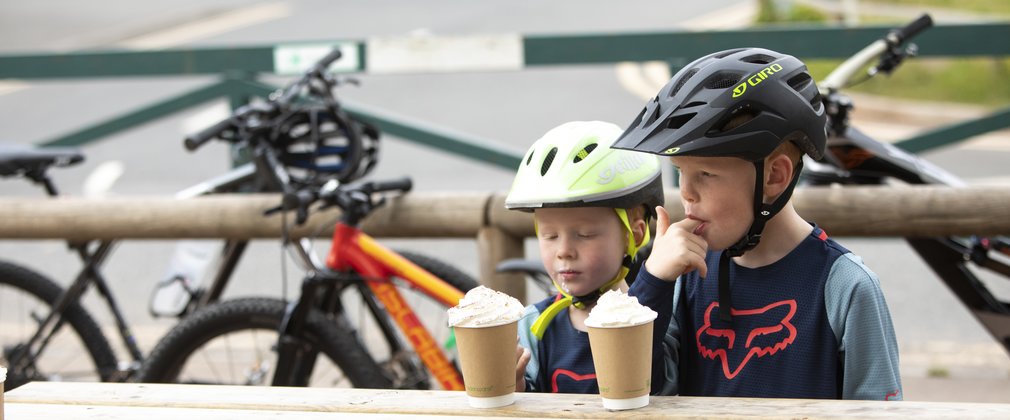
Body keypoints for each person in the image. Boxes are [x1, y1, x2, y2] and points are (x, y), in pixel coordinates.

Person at [612, 47, 903, 400]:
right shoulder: (681, 277)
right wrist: (652, 283)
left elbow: (877, 409)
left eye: (706, 173)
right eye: (680, 173)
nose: (686, 193)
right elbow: (631, 390)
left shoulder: (846, 287)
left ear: (774, 177)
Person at [504, 120, 665, 393]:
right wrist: (515, 387)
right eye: (550, 236)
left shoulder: (658, 318)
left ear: (634, 236)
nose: (563, 250)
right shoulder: (532, 327)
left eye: (585, 234)